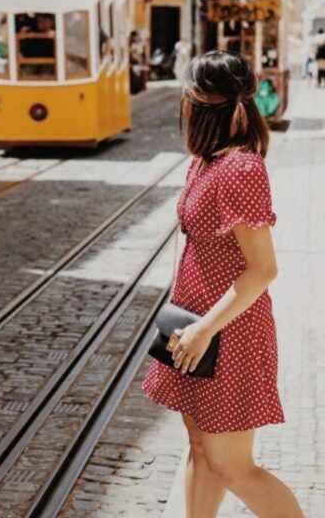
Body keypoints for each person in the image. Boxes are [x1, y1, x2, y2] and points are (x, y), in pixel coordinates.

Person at [142, 50, 304, 518]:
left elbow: (263, 269)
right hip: (193, 330)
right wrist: (192, 329)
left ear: (200, 103)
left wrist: (203, 329)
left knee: (232, 465)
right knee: (200, 449)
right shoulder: (205, 161)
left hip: (227, 334)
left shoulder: (241, 170)